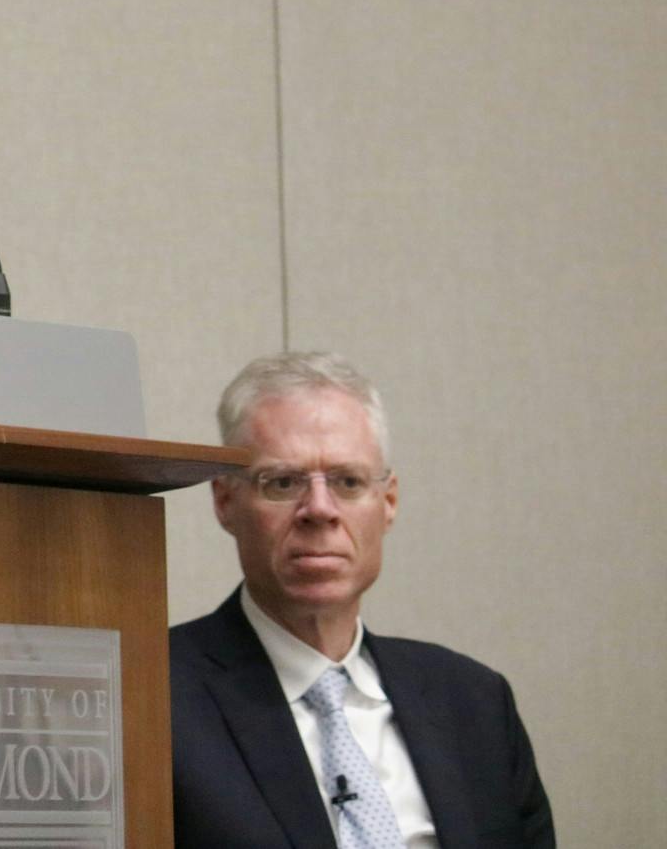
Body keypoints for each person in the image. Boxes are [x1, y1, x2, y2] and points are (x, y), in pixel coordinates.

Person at [170, 351, 554, 849]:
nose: (319, 510)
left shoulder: (476, 704)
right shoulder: (154, 694)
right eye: (283, 482)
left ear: (388, 502)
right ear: (225, 501)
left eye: (347, 482)